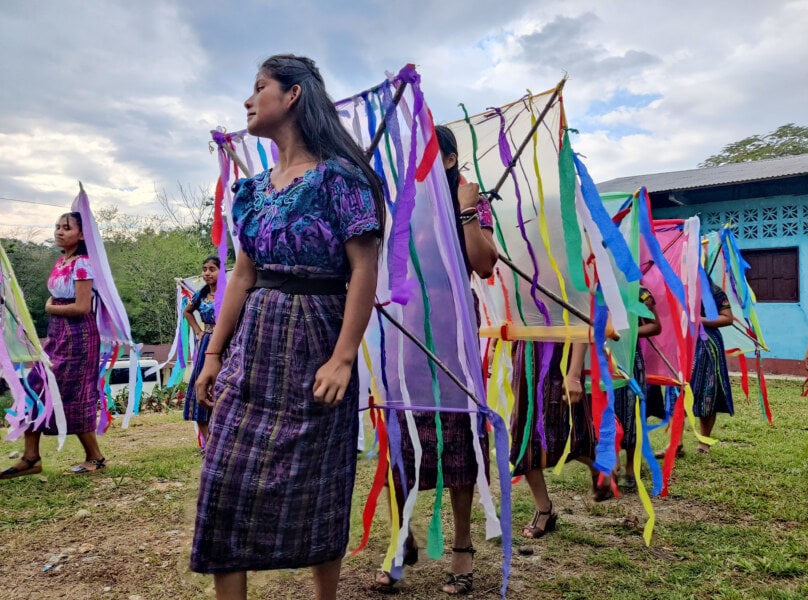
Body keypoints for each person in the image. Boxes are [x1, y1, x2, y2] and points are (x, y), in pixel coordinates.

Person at [189, 54, 384, 600]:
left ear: (293, 95)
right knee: (223, 481)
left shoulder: (342, 178)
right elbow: (242, 275)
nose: (249, 101)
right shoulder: (252, 191)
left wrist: (343, 357)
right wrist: (212, 354)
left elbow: (364, 268)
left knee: (318, 485)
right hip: (254, 346)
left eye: (259, 88)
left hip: (317, 341)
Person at [374, 124, 498, 595]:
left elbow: (484, 264)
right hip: (404, 337)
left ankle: (462, 549)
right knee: (402, 442)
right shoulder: (399, 209)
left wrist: (467, 209)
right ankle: (400, 539)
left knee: (460, 439)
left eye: (425, 154)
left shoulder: (467, 204)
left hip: (453, 337)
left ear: (448, 160)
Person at [1, 212, 106, 479]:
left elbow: (83, 307)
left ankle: (95, 457)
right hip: (58, 335)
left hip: (79, 338)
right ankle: (31, 457)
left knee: (71, 392)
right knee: (36, 386)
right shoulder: (62, 262)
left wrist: (50, 307)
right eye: (57, 227)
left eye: (66, 228)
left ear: (82, 235)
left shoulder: (83, 263)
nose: (59, 231)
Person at [510, 341, 606, 538]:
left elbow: (581, 318)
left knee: (567, 432)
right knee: (524, 435)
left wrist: (573, 374)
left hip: (560, 358)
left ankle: (598, 465)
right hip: (526, 355)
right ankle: (544, 509)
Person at [613, 287, 661, 490]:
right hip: (601, 358)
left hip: (631, 359)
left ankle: (632, 467)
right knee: (607, 411)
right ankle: (611, 466)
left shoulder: (639, 292)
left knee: (632, 412)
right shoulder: (593, 285)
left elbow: (655, 326)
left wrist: (627, 332)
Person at [690, 282, 734, 454]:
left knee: (706, 391)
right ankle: (675, 443)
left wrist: (699, 320)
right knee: (676, 393)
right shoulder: (677, 286)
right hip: (681, 342)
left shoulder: (714, 291)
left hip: (706, 344)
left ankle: (704, 441)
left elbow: (727, 318)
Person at [182, 255, 220, 448]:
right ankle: (208, 446)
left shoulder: (230, 294)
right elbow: (187, 312)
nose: (207, 273)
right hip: (206, 343)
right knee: (201, 386)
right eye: (204, 269)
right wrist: (198, 331)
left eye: (212, 269)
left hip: (226, 345)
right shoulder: (201, 295)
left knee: (221, 388)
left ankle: (223, 442)